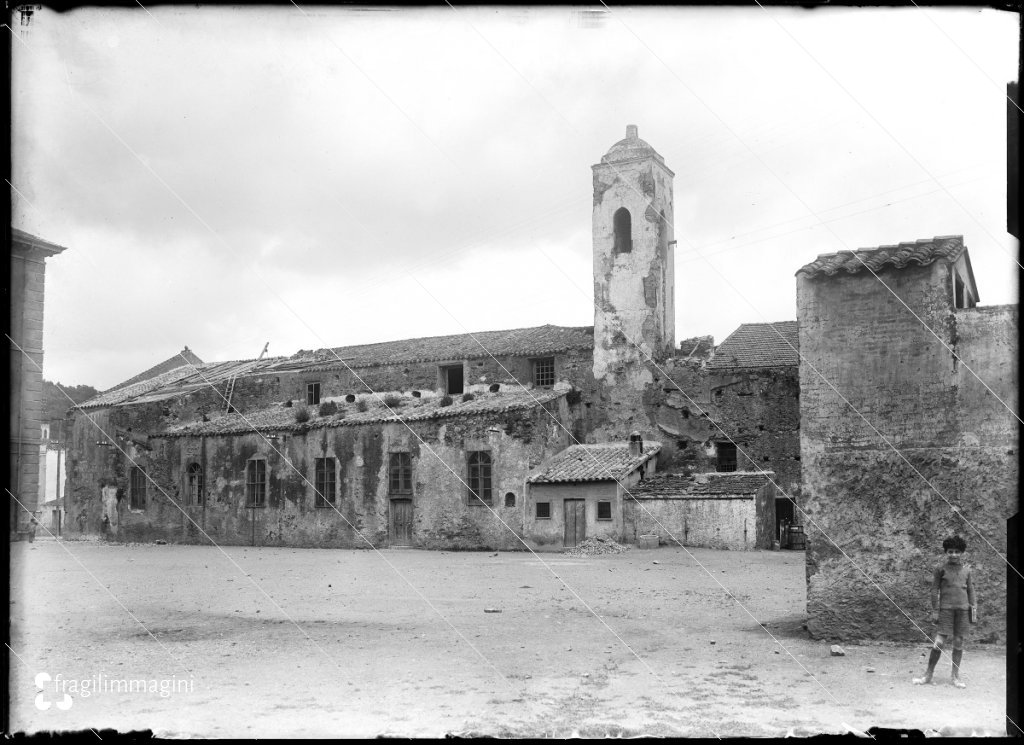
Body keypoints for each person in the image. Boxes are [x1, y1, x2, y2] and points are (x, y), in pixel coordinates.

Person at [913, 535, 976, 688]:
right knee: (939, 643)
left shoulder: (966, 571)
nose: (953, 555)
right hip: (946, 610)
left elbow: (971, 591)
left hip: (962, 611)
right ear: (946, 553)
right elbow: (934, 590)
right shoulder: (940, 569)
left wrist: (973, 612)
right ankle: (928, 674)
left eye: (956, 552)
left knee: (959, 642)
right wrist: (935, 610)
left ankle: (955, 676)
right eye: (950, 551)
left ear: (961, 553)